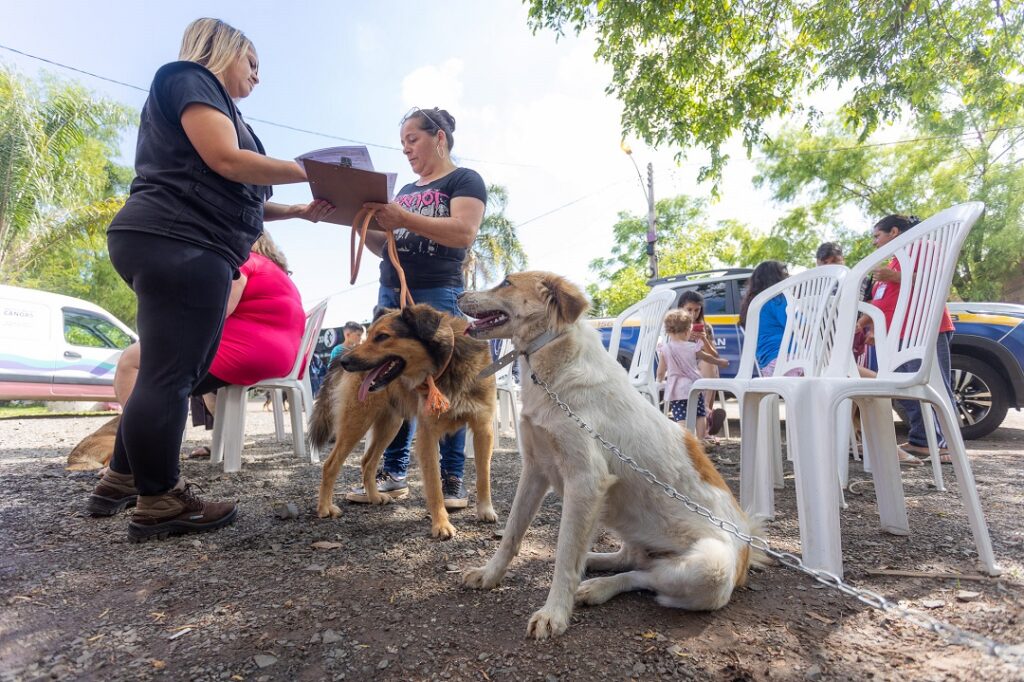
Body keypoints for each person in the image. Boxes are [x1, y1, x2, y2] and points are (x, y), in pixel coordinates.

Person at [86, 18, 334, 541]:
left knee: (163, 367)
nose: (257, 77)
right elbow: (226, 160)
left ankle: (120, 478)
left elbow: (236, 193)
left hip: (175, 237)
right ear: (224, 49)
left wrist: (300, 211)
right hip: (182, 241)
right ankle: (161, 501)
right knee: (172, 373)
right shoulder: (190, 79)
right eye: (253, 63)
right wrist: (320, 170)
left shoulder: (214, 105)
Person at [347, 107, 487, 509]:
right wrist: (359, 223)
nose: (406, 149)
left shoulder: (464, 179)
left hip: (437, 293)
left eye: (413, 139)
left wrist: (403, 215)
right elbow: (386, 242)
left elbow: (463, 232)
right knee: (393, 381)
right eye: (403, 143)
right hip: (391, 292)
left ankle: (452, 476)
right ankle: (394, 471)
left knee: (448, 381)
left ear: (438, 137)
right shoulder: (406, 190)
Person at [857, 214, 956, 465]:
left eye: (877, 236)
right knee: (902, 391)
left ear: (894, 232)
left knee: (933, 387)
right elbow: (884, 302)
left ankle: (946, 444)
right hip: (896, 336)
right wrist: (864, 326)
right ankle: (923, 440)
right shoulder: (894, 262)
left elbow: (935, 282)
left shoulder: (924, 247)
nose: (874, 242)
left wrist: (895, 278)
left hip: (922, 331)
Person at [657, 309, 728, 440]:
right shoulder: (692, 347)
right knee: (700, 415)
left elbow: (661, 371)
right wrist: (720, 362)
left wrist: (659, 380)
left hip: (676, 390)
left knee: (681, 418)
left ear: (668, 331)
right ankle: (700, 442)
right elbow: (707, 357)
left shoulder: (664, 349)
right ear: (687, 331)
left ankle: (686, 444)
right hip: (693, 387)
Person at [677, 290, 729, 439]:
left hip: (701, 369)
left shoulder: (705, 327)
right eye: (689, 310)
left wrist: (704, 339)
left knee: (710, 364)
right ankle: (708, 418)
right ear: (681, 308)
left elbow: (715, 356)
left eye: (697, 310)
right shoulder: (673, 325)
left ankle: (706, 412)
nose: (693, 314)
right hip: (681, 368)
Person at [738, 261, 797, 377]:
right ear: (777, 279)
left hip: (766, 366)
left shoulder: (753, 305)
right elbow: (799, 325)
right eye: (784, 275)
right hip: (786, 361)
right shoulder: (777, 300)